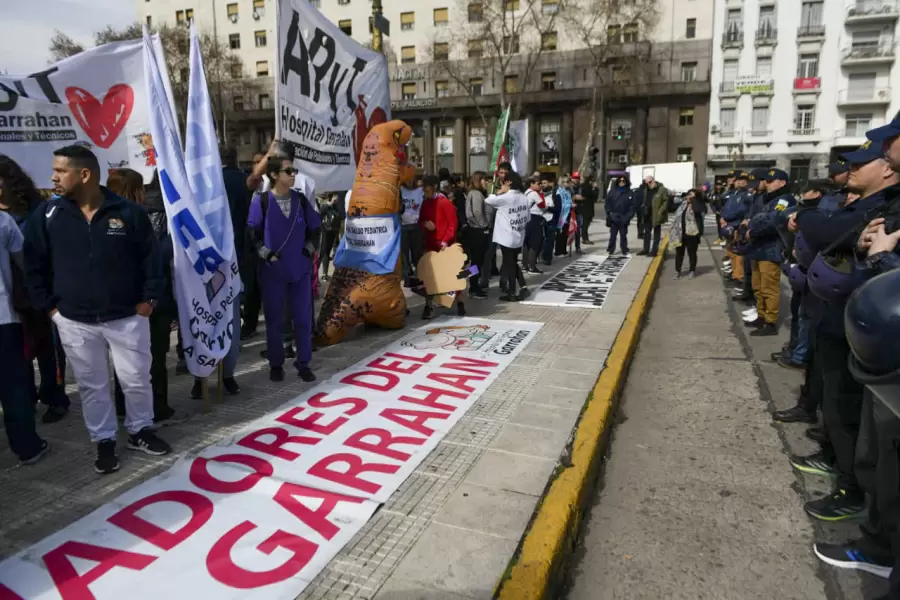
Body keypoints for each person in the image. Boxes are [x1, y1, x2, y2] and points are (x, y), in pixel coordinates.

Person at [24, 145, 171, 474]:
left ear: (84, 174)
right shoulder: (48, 215)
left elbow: (152, 262)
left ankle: (139, 431)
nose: (53, 176)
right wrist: (50, 310)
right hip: (74, 321)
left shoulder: (128, 213)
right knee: (93, 386)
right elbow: (32, 267)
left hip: (127, 317)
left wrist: (149, 301)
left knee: (135, 380)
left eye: (60, 170)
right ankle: (104, 440)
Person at [789, 140, 898, 521]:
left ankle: (850, 488)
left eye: (860, 164)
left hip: (859, 323)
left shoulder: (882, 209)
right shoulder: (857, 203)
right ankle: (835, 459)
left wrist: (804, 216)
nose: (849, 170)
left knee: (846, 407)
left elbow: (825, 228)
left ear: (886, 169)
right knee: (834, 401)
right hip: (834, 315)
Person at [106, 169, 188, 423]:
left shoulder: (99, 217)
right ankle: (157, 406)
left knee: (125, 358)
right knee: (153, 355)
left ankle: (123, 405)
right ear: (135, 190)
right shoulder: (137, 216)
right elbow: (154, 258)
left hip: (117, 303)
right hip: (149, 302)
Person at [0, 155, 70, 424]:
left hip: (37, 291)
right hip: (8, 299)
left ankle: (55, 397)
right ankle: (25, 398)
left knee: (47, 348)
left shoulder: (37, 211)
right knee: (19, 352)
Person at [247, 157, 321, 383]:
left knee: (303, 318)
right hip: (273, 271)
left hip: (299, 270)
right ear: (274, 175)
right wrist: (266, 254)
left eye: (293, 170)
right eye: (288, 171)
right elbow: (252, 234)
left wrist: (308, 252)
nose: (293, 174)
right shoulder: (261, 201)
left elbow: (315, 228)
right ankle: (276, 363)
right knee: (274, 319)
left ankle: (304, 362)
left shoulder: (300, 199)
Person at [0, 203, 51, 466]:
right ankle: (27, 447)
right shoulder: (3, 220)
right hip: (4, 317)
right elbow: (24, 260)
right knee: (13, 386)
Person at [744, 169, 795, 337]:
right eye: (766, 180)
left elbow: (774, 221)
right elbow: (753, 217)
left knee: (769, 287)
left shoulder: (785, 199)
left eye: (772, 180)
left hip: (771, 248)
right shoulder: (764, 199)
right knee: (757, 286)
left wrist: (753, 230)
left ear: (782, 182)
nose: (767, 183)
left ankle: (770, 321)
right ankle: (761, 316)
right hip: (758, 248)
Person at [418, 174, 460, 319]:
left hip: (445, 246)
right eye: (422, 187)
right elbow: (420, 221)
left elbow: (452, 224)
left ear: (434, 187)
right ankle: (428, 307)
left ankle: (460, 302)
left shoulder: (444, 203)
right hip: (430, 245)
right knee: (428, 277)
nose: (424, 190)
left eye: (426, 187)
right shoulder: (425, 203)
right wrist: (425, 224)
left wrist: (445, 241)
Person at [485, 171, 530, 301]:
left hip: (506, 237)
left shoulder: (506, 197)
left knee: (510, 264)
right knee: (513, 262)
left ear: (507, 183)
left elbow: (488, 200)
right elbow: (528, 218)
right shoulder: (524, 197)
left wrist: (500, 191)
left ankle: (512, 293)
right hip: (518, 235)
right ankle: (522, 287)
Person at [464, 171, 492, 299]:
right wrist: (483, 225)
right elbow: (475, 212)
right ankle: (473, 287)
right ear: (478, 180)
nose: (486, 182)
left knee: (477, 261)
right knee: (476, 261)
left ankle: (472, 284)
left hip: (477, 230)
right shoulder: (476, 194)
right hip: (478, 232)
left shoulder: (476, 193)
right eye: (484, 180)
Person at [670, 189, 703, 279]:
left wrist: (692, 200)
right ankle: (677, 271)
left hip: (692, 233)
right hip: (680, 232)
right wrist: (671, 197)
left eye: (691, 195)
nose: (689, 196)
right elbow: (671, 208)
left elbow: (698, 210)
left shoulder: (698, 204)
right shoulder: (683, 204)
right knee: (679, 253)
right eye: (689, 194)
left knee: (692, 253)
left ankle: (692, 270)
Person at [400, 176, 425, 287]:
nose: (409, 181)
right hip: (403, 225)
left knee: (417, 252)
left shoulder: (419, 191)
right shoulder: (400, 190)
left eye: (411, 179)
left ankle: (419, 275)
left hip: (416, 225)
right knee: (404, 254)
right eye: (407, 179)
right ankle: (407, 277)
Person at [637, 176, 668, 257]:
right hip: (647, 214)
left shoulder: (661, 189)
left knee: (656, 233)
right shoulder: (646, 190)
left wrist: (660, 211)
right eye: (647, 183)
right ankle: (646, 249)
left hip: (656, 215)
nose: (649, 184)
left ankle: (654, 251)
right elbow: (645, 200)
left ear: (654, 180)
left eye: (650, 182)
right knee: (647, 232)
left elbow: (665, 201)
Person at [523, 175, 548, 273]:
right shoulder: (534, 194)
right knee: (535, 243)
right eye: (538, 184)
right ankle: (532, 266)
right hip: (534, 218)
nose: (540, 186)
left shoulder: (526, 193)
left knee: (526, 243)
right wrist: (541, 193)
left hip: (527, 218)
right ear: (531, 184)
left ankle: (525, 265)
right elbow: (543, 205)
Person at [605, 175, 634, 255]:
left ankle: (624, 249)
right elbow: (607, 203)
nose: (622, 182)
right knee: (613, 235)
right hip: (614, 216)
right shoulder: (612, 191)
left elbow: (632, 206)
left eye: (623, 181)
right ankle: (611, 249)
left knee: (623, 235)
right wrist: (610, 213)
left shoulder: (629, 192)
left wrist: (628, 216)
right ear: (618, 182)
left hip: (624, 217)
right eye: (620, 181)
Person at [319, 194, 342, 281]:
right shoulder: (325, 205)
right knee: (323, 253)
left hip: (333, 232)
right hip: (325, 232)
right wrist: (330, 203)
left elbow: (339, 217)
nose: (337, 198)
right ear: (331, 197)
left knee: (327, 253)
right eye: (335, 196)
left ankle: (325, 274)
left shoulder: (336, 207)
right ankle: (318, 275)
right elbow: (321, 212)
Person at [540, 176, 558, 265]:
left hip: (551, 220)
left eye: (545, 183)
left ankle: (547, 258)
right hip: (540, 219)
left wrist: (548, 208)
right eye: (542, 183)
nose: (543, 185)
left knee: (550, 240)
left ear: (550, 184)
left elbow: (557, 208)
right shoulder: (537, 194)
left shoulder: (554, 195)